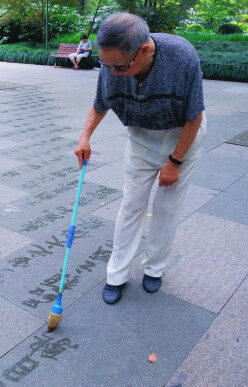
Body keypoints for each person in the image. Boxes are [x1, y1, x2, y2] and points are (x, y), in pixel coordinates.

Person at [74, 13, 206, 304]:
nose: (112, 72)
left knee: (167, 207)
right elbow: (100, 103)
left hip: (180, 133)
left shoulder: (182, 57)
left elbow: (193, 116)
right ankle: (117, 274)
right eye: (106, 65)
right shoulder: (111, 63)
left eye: (119, 66)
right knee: (132, 203)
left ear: (143, 50)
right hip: (141, 134)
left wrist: (175, 162)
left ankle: (155, 268)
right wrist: (85, 138)